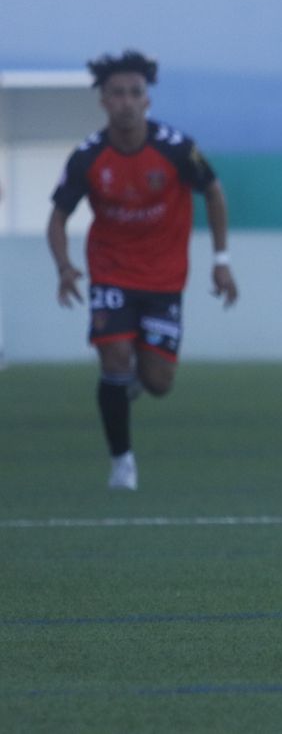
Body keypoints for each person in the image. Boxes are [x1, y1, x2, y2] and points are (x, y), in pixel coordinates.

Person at [47, 51, 239, 491]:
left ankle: (130, 383)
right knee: (113, 357)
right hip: (111, 271)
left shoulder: (176, 148)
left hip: (165, 279)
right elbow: (57, 217)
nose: (128, 102)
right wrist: (64, 267)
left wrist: (221, 262)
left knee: (158, 381)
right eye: (118, 94)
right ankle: (122, 463)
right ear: (103, 101)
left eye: (136, 93)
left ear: (147, 100)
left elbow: (212, 191)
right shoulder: (87, 158)